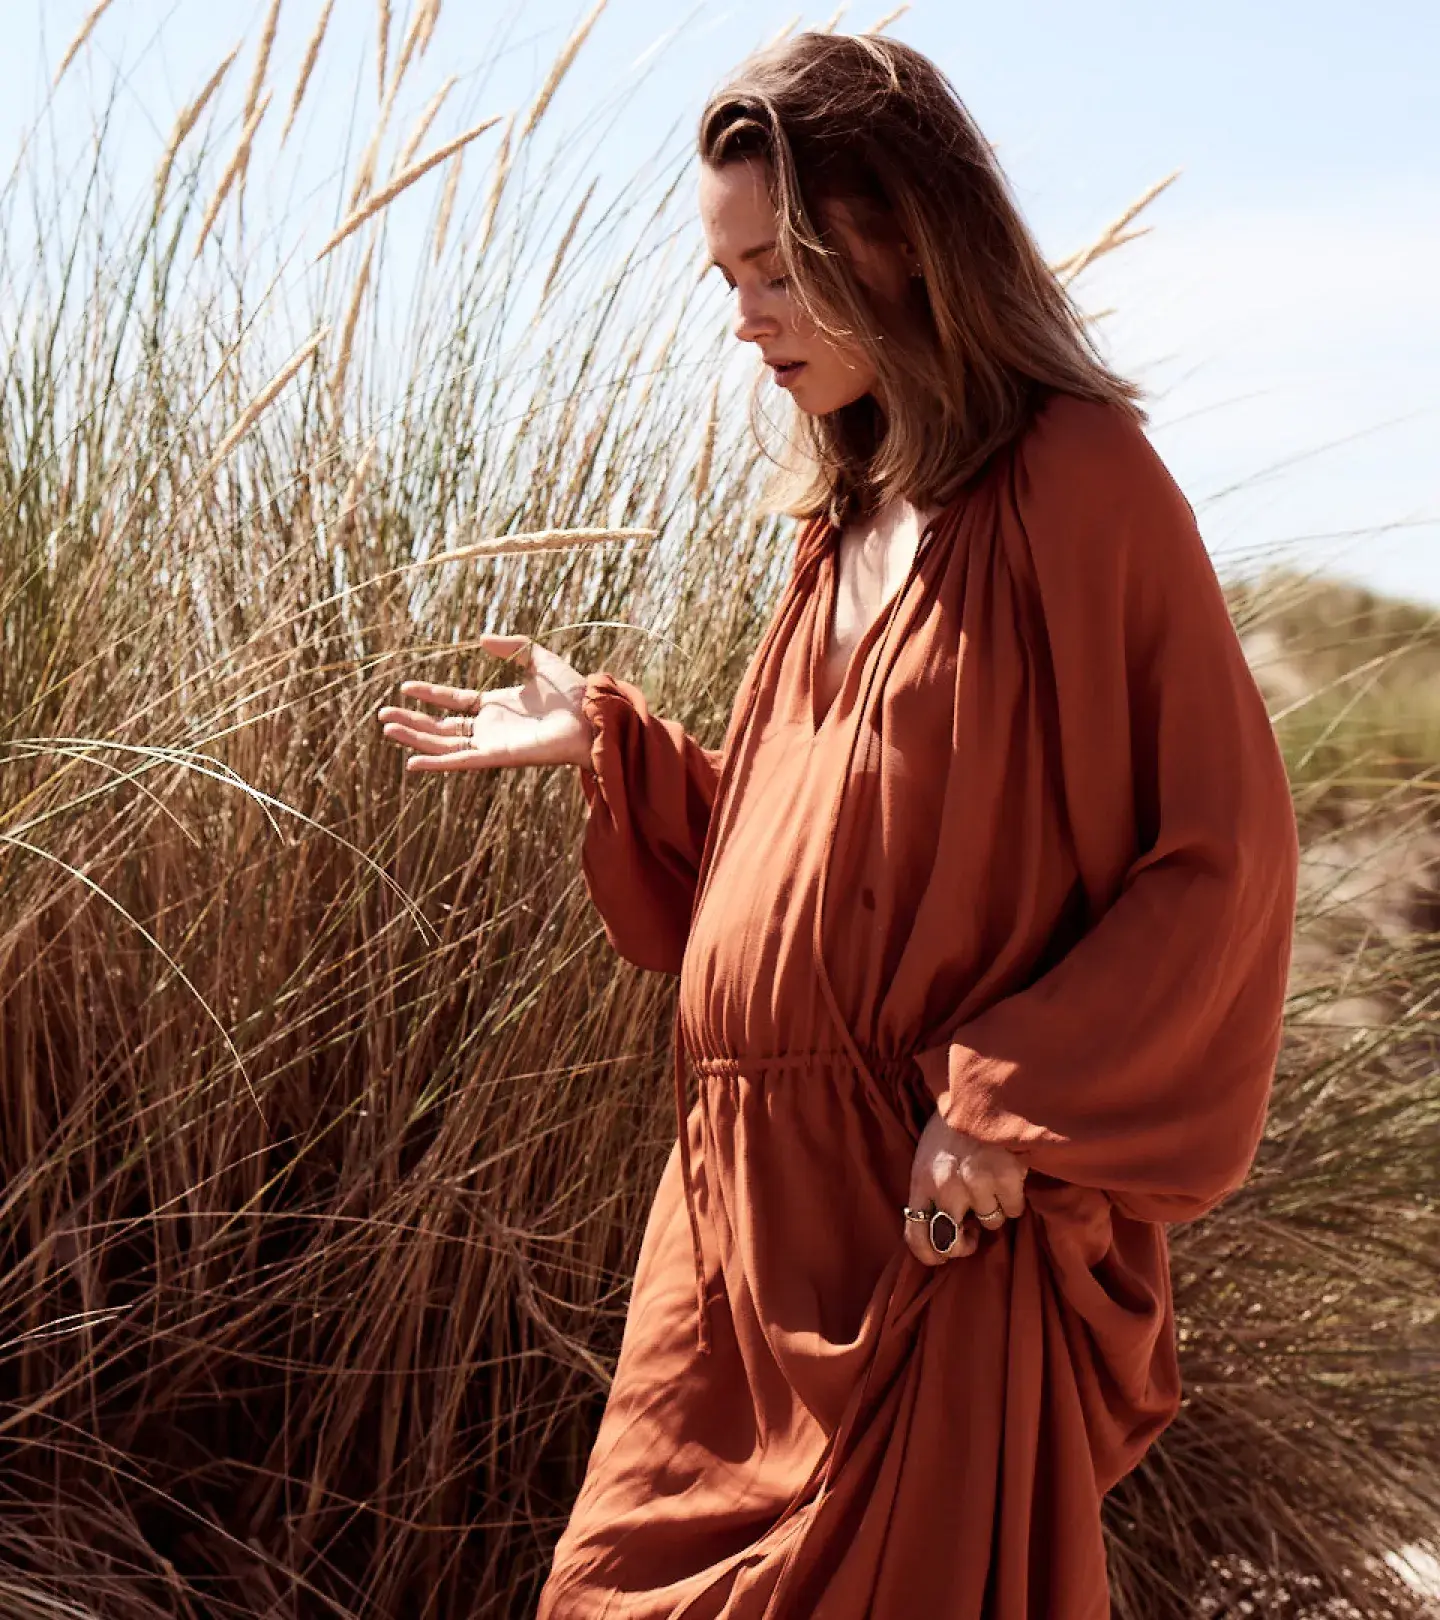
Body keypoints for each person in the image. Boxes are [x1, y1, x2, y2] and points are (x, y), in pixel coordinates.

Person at [376, 29, 1299, 1620]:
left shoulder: (1081, 482)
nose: (746, 319)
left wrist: (1010, 1102)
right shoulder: (845, 523)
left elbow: (1227, 856)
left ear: (901, 240)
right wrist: (617, 747)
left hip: (921, 1233)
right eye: (727, 277)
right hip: (733, 1230)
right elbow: (823, 853)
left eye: (777, 271)